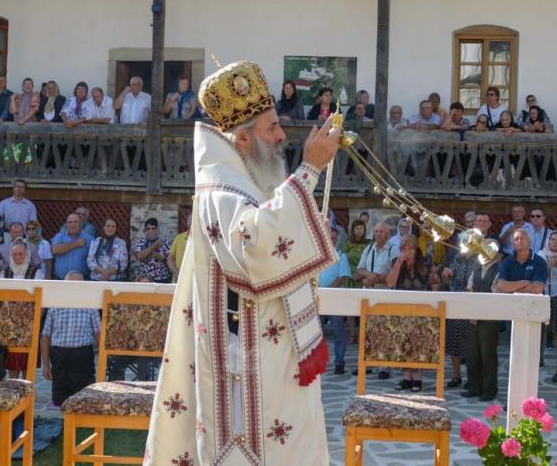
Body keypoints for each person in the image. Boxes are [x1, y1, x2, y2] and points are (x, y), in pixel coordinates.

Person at [145, 60, 340, 465]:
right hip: (243, 371)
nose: (283, 134)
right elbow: (254, 250)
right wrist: (309, 170)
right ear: (244, 138)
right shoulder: (220, 189)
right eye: (272, 128)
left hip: (272, 354)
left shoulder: (248, 180)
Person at [41, 271, 101, 407]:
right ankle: (62, 426)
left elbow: (99, 334)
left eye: (77, 285)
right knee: (60, 399)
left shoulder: (90, 305)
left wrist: (103, 359)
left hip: (82, 356)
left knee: (84, 399)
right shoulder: (55, 306)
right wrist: (45, 365)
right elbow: (46, 336)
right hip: (59, 356)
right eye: (70, 284)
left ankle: (82, 425)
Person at [440, 214, 486, 389]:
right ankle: (456, 375)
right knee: (454, 341)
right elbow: (447, 282)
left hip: (474, 305)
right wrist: (445, 275)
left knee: (472, 343)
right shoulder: (457, 259)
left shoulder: (480, 260)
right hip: (457, 304)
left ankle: (472, 378)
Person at [386, 234, 436, 392]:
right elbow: (390, 283)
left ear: (415, 249)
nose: (405, 251)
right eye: (402, 248)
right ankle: (406, 377)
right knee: (403, 342)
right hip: (402, 308)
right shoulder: (396, 262)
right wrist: (399, 263)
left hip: (422, 308)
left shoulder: (426, 261)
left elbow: (434, 283)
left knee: (418, 342)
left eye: (408, 248)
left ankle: (418, 378)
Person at [350, 222, 397, 379]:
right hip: (368, 295)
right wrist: (369, 276)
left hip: (385, 295)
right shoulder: (369, 248)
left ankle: (385, 366)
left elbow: (395, 273)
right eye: (376, 231)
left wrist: (376, 278)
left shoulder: (392, 249)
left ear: (388, 234)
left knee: (385, 330)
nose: (378, 234)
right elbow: (360, 268)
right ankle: (367, 363)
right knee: (367, 331)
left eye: (381, 232)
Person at [462, 235, 503, 402]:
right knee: (472, 354)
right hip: (474, 319)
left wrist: (479, 314)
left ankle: (489, 389)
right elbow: (470, 291)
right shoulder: (476, 270)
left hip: (489, 320)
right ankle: (474, 386)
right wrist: (472, 314)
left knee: (488, 356)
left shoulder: (499, 271)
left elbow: (495, 296)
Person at [319, 227, 351, 375]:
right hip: (318, 299)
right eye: (329, 237)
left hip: (335, 299)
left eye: (334, 237)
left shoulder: (341, 256)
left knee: (338, 332)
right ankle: (318, 363)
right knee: (317, 334)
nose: (331, 240)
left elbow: (341, 278)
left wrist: (326, 292)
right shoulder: (317, 256)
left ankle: (339, 362)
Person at [540, 230, 557, 381]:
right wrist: (551, 263)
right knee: (541, 329)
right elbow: (542, 271)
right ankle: (539, 358)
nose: (555, 242)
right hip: (543, 294)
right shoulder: (541, 254)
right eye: (552, 239)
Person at [497, 229, 548, 296]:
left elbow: (537, 289)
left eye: (522, 238)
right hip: (512, 303)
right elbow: (501, 286)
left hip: (534, 303)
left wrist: (512, 290)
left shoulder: (540, 262)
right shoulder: (507, 262)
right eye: (516, 239)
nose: (519, 241)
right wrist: (524, 283)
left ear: (529, 242)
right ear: (513, 244)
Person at [51, 213, 94, 280]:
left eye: (76, 222)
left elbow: (93, 260)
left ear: (80, 224)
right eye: (70, 222)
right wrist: (76, 243)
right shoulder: (59, 236)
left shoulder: (89, 239)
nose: (73, 224)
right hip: (60, 279)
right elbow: (55, 250)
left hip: (83, 280)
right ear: (66, 225)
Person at [131, 218, 171, 283]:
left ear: (157, 229)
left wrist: (159, 257)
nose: (151, 231)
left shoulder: (165, 242)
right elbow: (139, 256)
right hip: (144, 279)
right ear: (145, 230)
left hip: (162, 278)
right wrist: (154, 245)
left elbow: (169, 259)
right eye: (148, 228)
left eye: (153, 228)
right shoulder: (141, 242)